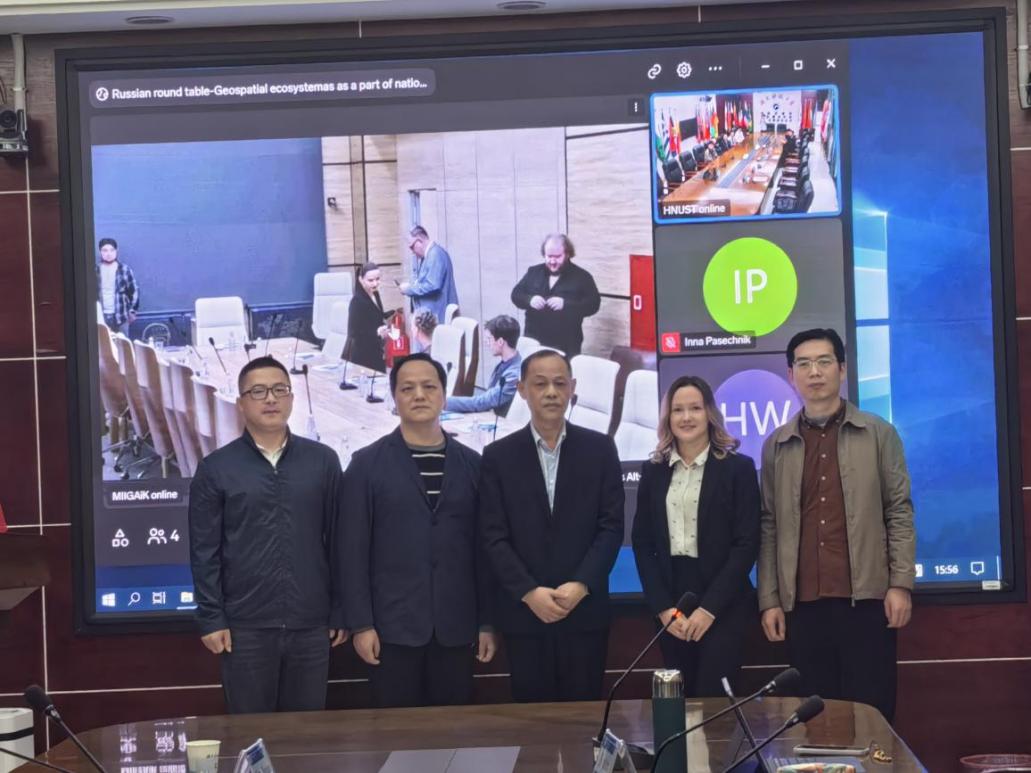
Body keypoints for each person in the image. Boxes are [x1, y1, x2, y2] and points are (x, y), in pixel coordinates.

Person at [758, 328, 915, 723]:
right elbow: (769, 525)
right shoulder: (777, 444)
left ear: (842, 369)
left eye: (824, 362)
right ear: (791, 375)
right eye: (804, 364)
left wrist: (900, 584)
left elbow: (898, 511)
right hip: (803, 605)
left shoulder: (878, 433)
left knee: (873, 715)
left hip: (867, 601)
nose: (815, 372)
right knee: (816, 722)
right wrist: (770, 599)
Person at [188, 356, 347, 714]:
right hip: (245, 628)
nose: (271, 399)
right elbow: (204, 551)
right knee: (250, 733)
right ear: (241, 403)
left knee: (306, 734)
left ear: (291, 398)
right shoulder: (216, 468)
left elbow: (339, 543)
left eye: (279, 389)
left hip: (311, 625)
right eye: (258, 391)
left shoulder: (323, 461)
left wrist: (339, 610)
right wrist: (212, 618)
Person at [341, 353, 496, 707]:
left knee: (454, 730)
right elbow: (351, 552)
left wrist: (487, 622)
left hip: (457, 627)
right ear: (394, 397)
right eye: (407, 388)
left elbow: (484, 552)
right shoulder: (366, 466)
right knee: (397, 731)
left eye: (429, 387)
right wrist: (361, 625)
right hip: (391, 629)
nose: (419, 395)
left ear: (444, 395)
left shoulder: (473, 465)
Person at [479, 350, 623, 702]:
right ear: (522, 389)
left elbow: (611, 527)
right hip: (525, 615)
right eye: (540, 384)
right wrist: (529, 592)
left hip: (585, 612)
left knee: (584, 718)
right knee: (533, 722)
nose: (551, 393)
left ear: (572, 388)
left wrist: (582, 584)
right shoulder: (498, 456)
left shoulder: (600, 448)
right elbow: (493, 536)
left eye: (560, 384)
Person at [631, 376, 760, 696]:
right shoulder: (653, 471)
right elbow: (643, 543)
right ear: (668, 417)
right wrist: (663, 608)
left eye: (695, 408)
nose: (686, 417)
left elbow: (746, 544)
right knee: (680, 702)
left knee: (715, 702)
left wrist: (709, 609)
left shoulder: (738, 468)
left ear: (709, 414)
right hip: (672, 602)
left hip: (724, 602)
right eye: (678, 410)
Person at [510, 234, 601, 358]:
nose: (552, 262)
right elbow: (516, 294)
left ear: (568, 254)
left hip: (566, 345)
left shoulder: (583, 277)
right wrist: (529, 300)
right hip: (534, 343)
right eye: (549, 256)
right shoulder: (533, 272)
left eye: (557, 257)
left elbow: (594, 305)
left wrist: (566, 304)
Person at [445, 315, 522, 416]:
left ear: (500, 342)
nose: (486, 343)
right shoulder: (506, 363)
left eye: (489, 339)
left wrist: (443, 402)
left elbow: (482, 403)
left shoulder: (513, 375)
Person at [400, 225, 459, 339]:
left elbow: (432, 285)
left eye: (412, 247)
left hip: (438, 318)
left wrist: (409, 289)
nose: (412, 252)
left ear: (419, 241)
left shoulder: (435, 254)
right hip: (433, 319)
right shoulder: (429, 256)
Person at [347, 262, 393, 372]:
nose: (375, 283)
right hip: (363, 356)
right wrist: (376, 333)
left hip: (377, 351)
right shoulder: (356, 301)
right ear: (361, 279)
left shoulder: (376, 294)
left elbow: (376, 315)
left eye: (377, 279)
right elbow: (353, 332)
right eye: (370, 280)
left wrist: (388, 319)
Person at [95, 237, 139, 336]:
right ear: (100, 252)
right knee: (103, 343)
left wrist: (132, 311)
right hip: (100, 316)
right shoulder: (95, 270)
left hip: (121, 315)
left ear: (116, 251)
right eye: (105, 250)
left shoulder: (124, 269)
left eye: (112, 250)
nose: (108, 253)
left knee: (123, 344)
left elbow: (134, 291)